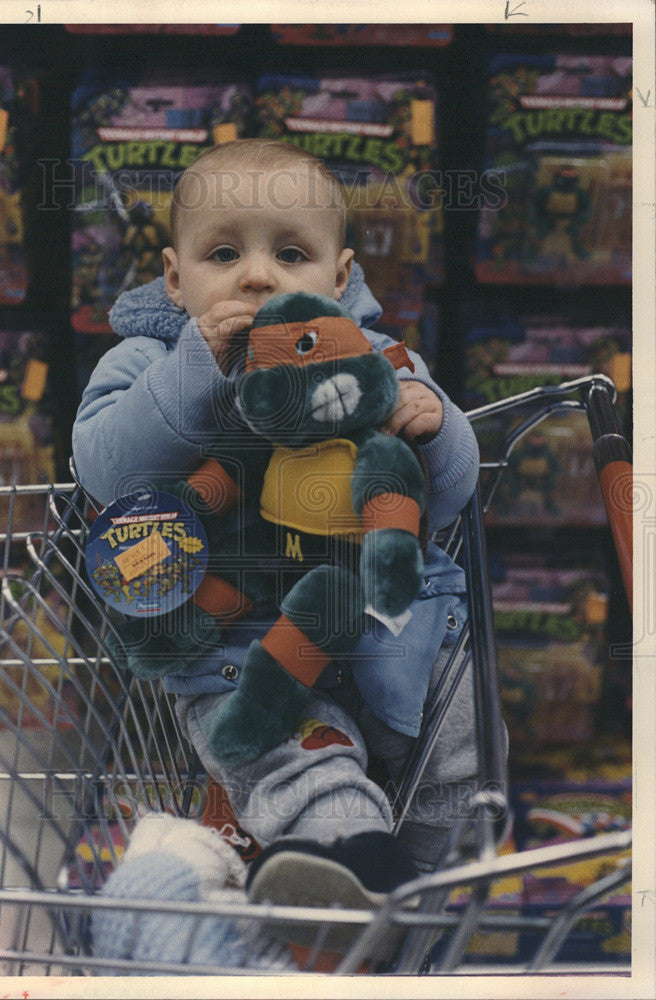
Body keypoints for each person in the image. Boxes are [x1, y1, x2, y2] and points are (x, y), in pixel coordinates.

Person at [73, 139, 489, 916]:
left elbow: (451, 496)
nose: (258, 275)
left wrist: (436, 430)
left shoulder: (377, 356)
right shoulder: (146, 358)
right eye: (223, 253)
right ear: (174, 277)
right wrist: (194, 366)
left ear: (340, 276)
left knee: (458, 744)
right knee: (299, 759)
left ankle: (422, 897)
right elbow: (106, 469)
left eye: (290, 254)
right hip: (246, 635)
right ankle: (344, 872)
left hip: (394, 621)